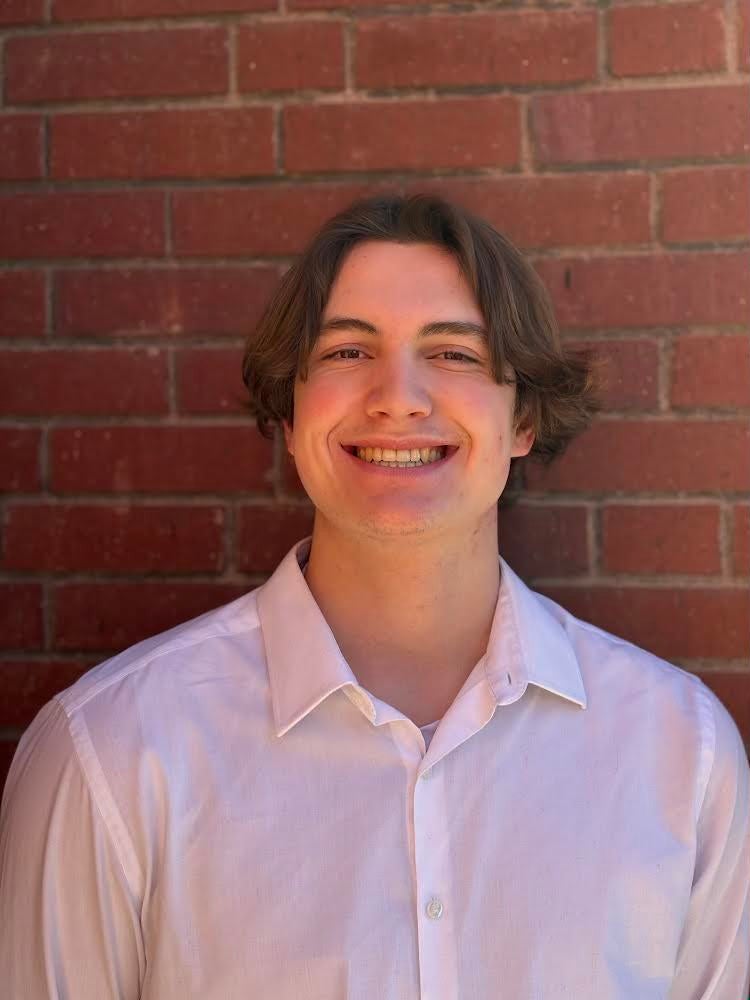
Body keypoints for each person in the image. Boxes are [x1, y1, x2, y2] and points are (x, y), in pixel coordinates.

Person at [1, 193, 748, 999]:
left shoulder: (682, 754)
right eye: (349, 352)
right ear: (289, 413)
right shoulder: (112, 751)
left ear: (524, 417)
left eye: (455, 354)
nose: (399, 397)